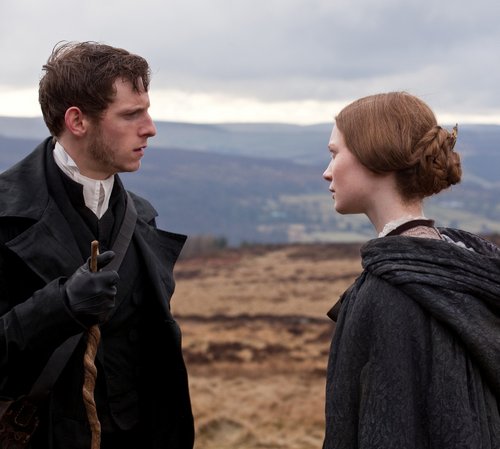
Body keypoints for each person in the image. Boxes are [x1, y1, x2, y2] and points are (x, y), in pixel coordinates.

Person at [0, 41, 194, 448]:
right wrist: (59, 307)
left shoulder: (141, 219)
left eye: (146, 111)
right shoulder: (5, 216)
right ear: (77, 120)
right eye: (131, 114)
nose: (150, 128)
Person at [321, 92, 500, 448]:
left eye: (335, 153)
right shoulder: (459, 268)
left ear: (375, 156)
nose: (327, 171)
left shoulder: (392, 293)